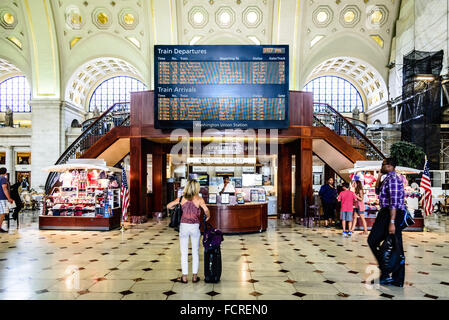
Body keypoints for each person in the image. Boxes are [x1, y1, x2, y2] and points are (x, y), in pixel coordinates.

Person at [368, 158, 406, 287]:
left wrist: (392, 221)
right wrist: (379, 176)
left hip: (391, 214)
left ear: (390, 166)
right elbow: (377, 191)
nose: (381, 166)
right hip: (385, 212)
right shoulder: (386, 178)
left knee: (395, 245)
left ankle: (394, 278)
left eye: (383, 165)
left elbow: (394, 202)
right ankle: (386, 273)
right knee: (388, 244)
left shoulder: (394, 179)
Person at [167, 180, 210, 284]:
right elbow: (206, 210)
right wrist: (208, 217)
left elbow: (169, 206)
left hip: (184, 226)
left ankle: (184, 277)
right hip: (195, 226)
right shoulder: (199, 199)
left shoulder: (182, 198)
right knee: (195, 251)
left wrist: (175, 207)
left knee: (184, 252)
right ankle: (195, 277)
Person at [0, 168, 13, 233]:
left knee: (2, 213)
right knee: (2, 213)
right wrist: (9, 198)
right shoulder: (3, 179)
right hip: (2, 198)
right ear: (5, 172)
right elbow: (5, 189)